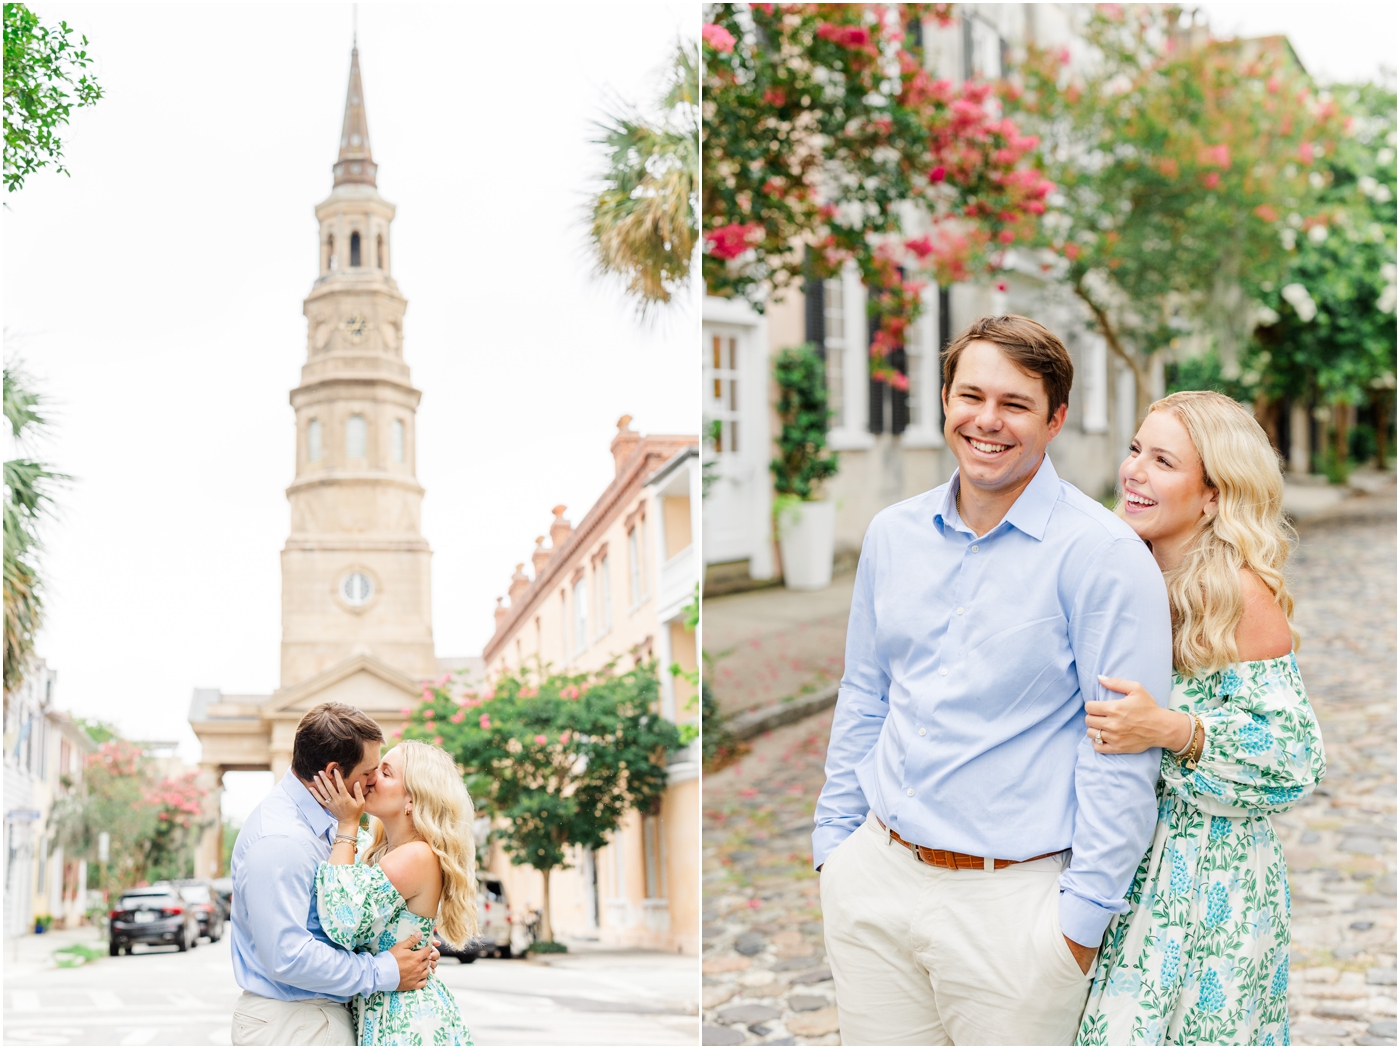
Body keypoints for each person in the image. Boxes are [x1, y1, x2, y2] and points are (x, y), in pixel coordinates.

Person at [813, 315, 1173, 1045]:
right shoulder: (892, 535)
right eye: (970, 395)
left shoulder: (1102, 554)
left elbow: (1121, 748)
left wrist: (1078, 926)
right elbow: (866, 693)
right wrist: (834, 848)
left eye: (1014, 404)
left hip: (1015, 907)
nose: (987, 420)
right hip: (876, 879)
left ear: (1055, 419)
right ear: (944, 399)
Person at [1075, 391, 1326, 1046]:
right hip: (1119, 861)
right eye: (1135, 450)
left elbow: (1294, 755)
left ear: (1213, 495)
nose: (1134, 470)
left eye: (1163, 461)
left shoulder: (1239, 592)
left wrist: (1172, 729)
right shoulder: (1119, 571)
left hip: (1215, 883)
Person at [230, 704, 440, 1046]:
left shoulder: (327, 823)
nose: (372, 782)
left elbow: (348, 920)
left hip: (313, 1019)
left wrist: (406, 941)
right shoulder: (281, 840)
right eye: (370, 771)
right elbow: (289, 957)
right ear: (332, 773)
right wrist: (387, 970)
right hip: (294, 1024)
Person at [308, 739, 475, 1046]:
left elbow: (342, 921)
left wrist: (347, 823)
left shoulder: (416, 856)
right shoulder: (382, 851)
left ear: (412, 799)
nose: (370, 778)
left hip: (405, 1023)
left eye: (385, 773)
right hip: (385, 1012)